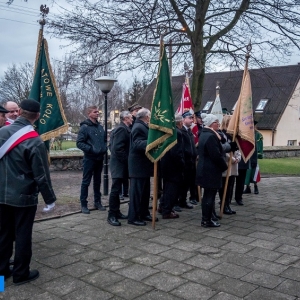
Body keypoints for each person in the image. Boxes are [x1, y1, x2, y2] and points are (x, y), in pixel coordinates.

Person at [0, 99, 56, 285]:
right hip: (23, 196)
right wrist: (50, 199)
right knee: (23, 234)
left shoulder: (1, 132)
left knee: (3, 233)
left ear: (20, 111)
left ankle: (2, 273)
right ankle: (20, 274)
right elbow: (41, 175)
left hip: (1, 194)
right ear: (37, 116)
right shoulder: (34, 140)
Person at [196, 113, 229, 228]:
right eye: (216, 122)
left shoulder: (205, 134)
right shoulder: (210, 136)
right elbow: (215, 155)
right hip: (210, 171)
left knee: (207, 196)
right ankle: (206, 220)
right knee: (209, 196)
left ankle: (206, 219)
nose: (218, 124)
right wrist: (224, 166)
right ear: (211, 124)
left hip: (205, 169)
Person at [77, 105, 107, 214]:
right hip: (89, 158)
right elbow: (79, 143)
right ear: (89, 114)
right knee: (86, 182)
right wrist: (91, 149)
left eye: (98, 112)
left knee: (97, 181)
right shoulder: (84, 127)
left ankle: (97, 202)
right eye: (95, 112)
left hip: (99, 158)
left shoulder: (100, 127)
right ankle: (83, 204)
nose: (97, 113)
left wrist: (104, 148)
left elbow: (104, 140)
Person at [128, 108, 155, 226]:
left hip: (144, 166)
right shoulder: (138, 127)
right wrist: (152, 142)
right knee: (136, 193)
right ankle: (133, 217)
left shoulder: (143, 126)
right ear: (146, 117)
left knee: (144, 193)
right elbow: (137, 143)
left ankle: (144, 213)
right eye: (149, 115)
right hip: (138, 166)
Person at [107, 111, 133, 226]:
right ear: (126, 118)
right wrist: (127, 161)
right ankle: (111, 215)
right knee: (115, 190)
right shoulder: (122, 129)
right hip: (119, 165)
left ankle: (116, 212)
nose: (132, 119)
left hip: (120, 164)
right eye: (131, 118)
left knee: (117, 190)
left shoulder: (123, 128)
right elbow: (117, 148)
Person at [159, 114, 184, 219]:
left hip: (166, 164)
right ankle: (167, 210)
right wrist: (181, 163)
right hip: (173, 166)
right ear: (180, 122)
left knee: (167, 187)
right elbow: (176, 152)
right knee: (171, 189)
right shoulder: (177, 133)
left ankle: (163, 206)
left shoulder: (168, 131)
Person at [218, 115, 240, 215]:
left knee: (230, 185)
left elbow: (238, 148)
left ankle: (228, 204)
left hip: (234, 164)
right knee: (224, 187)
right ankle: (223, 205)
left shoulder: (234, 135)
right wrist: (231, 159)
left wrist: (238, 157)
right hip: (226, 162)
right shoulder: (222, 134)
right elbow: (222, 149)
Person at [179, 111, 197, 209]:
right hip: (184, 161)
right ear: (183, 119)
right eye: (190, 118)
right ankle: (178, 201)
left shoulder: (189, 131)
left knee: (187, 183)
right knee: (181, 183)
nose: (192, 120)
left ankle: (183, 200)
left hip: (191, 161)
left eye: (192, 118)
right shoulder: (181, 131)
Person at [244, 121, 263, 194]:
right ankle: (247, 187)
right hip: (247, 156)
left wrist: (259, 154)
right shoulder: (246, 134)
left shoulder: (258, 135)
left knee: (254, 171)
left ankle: (255, 186)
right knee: (247, 172)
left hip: (254, 155)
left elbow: (260, 146)